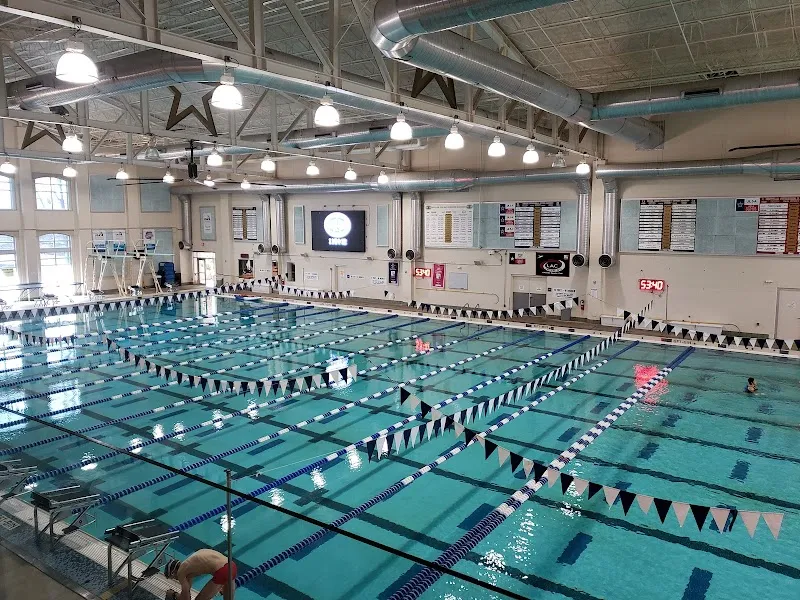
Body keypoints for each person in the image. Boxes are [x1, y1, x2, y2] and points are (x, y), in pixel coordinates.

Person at [164, 550, 236, 600]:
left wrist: (173, 595)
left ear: (173, 572)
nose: (176, 579)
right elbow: (187, 593)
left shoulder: (181, 572)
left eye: (173, 577)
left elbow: (186, 598)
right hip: (232, 566)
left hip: (223, 571)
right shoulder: (188, 567)